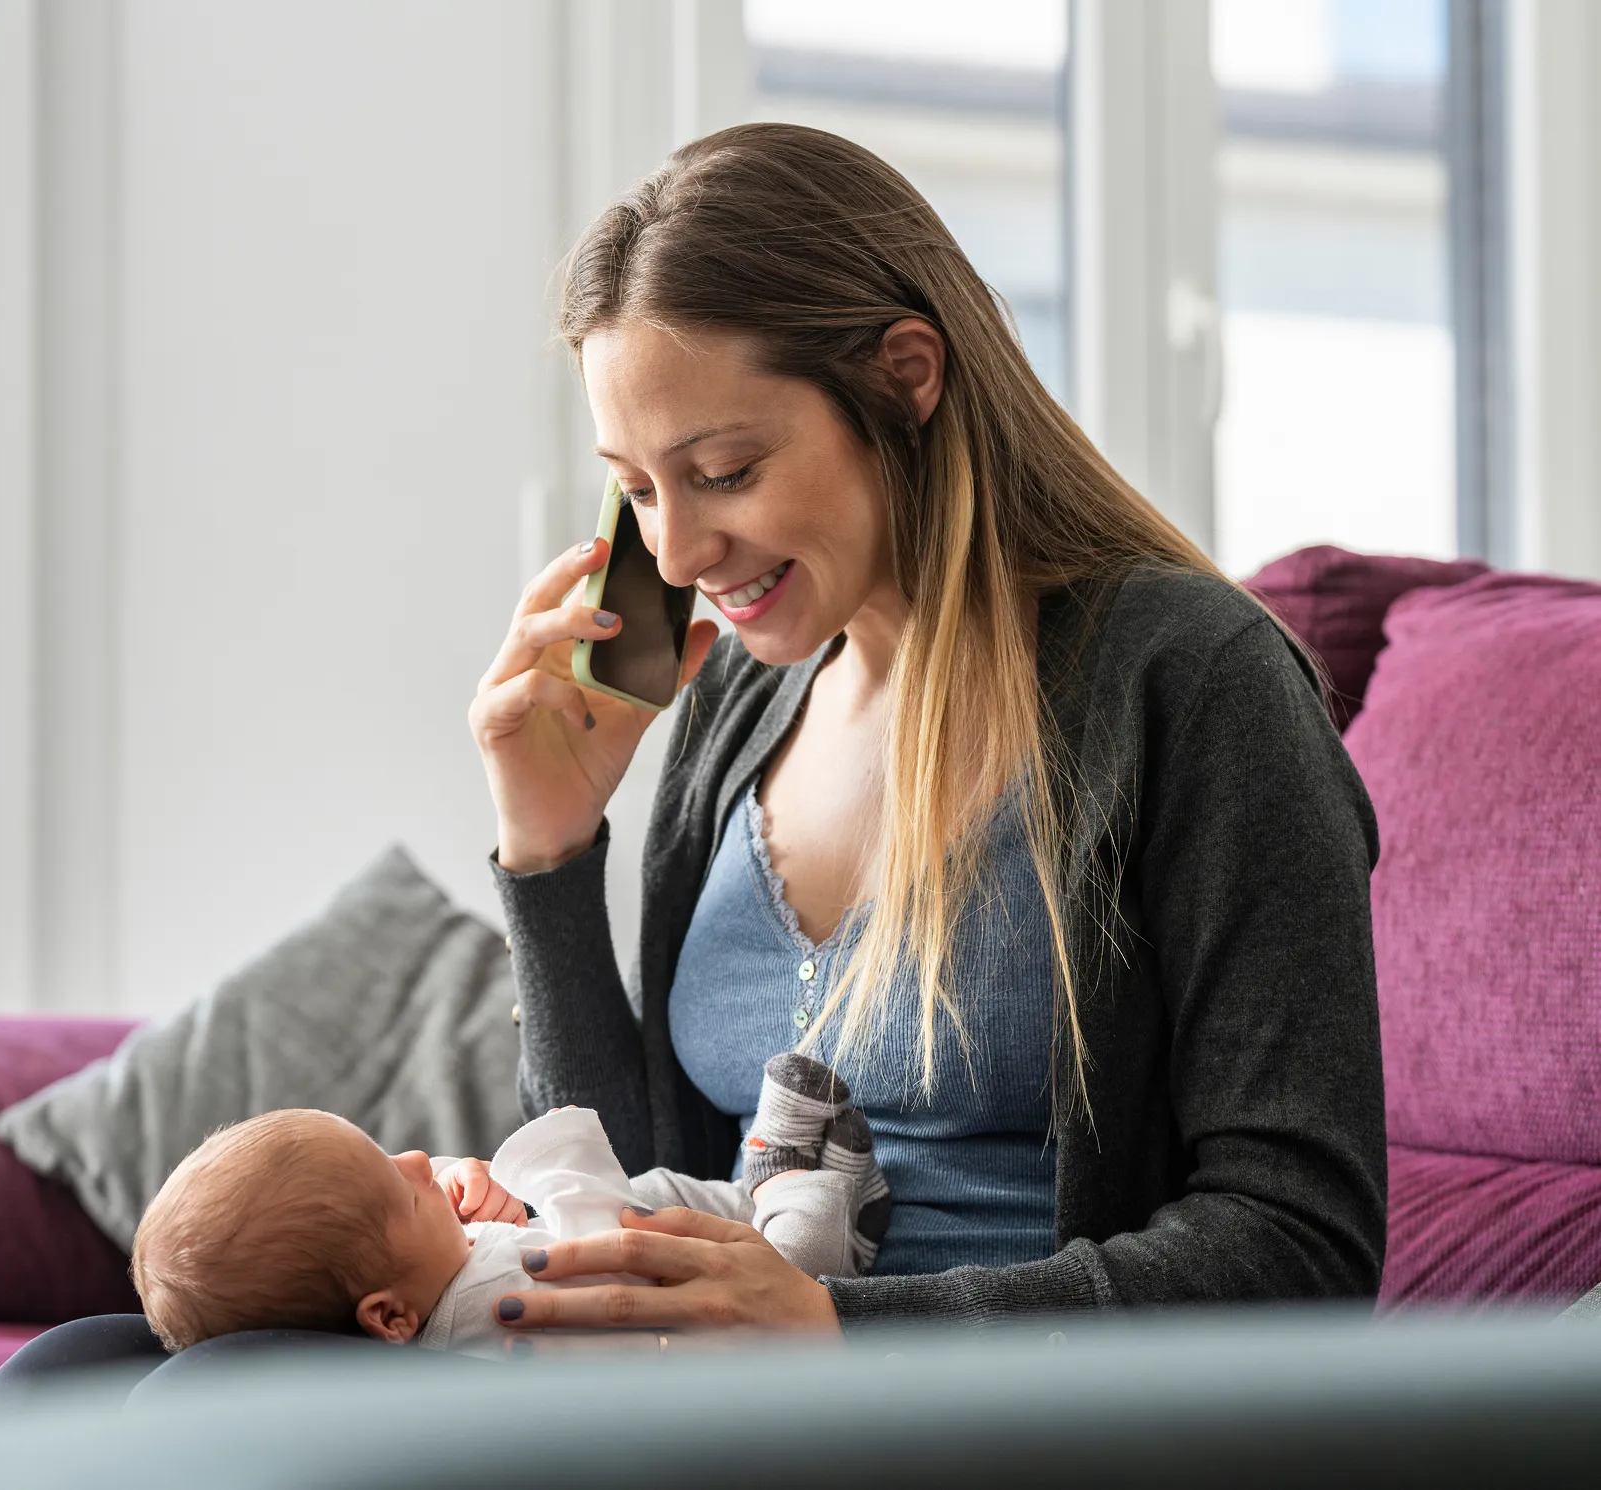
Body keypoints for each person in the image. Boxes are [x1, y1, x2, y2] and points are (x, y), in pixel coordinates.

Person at [465, 120, 1385, 1344]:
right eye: (638, 488)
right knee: (158, 1351)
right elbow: (620, 1200)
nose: (676, 554)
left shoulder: (1193, 682)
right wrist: (550, 848)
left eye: (725, 469)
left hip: (988, 1434)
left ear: (908, 375)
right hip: (706, 1417)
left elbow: (1300, 1238)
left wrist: (845, 1332)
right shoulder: (742, 702)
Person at [128, 1057, 888, 1361]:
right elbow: (606, 1232)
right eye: (399, 1188)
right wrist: (547, 1160)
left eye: (392, 1151)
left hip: (675, 1304)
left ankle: (776, 1193)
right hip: (760, 1339)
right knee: (675, 1223)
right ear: (387, 1317)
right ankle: (806, 1202)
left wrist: (479, 1209)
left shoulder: (441, 1300)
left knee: (663, 1197)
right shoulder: (503, 1293)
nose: (422, 1161)